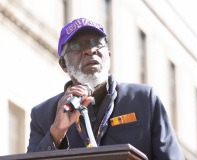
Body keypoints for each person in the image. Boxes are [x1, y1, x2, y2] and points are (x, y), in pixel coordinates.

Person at [27, 17, 185, 160]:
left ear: (108, 56)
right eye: (77, 45)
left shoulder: (144, 99)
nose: (90, 50)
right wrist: (57, 133)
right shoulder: (43, 115)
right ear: (63, 64)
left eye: (97, 43)